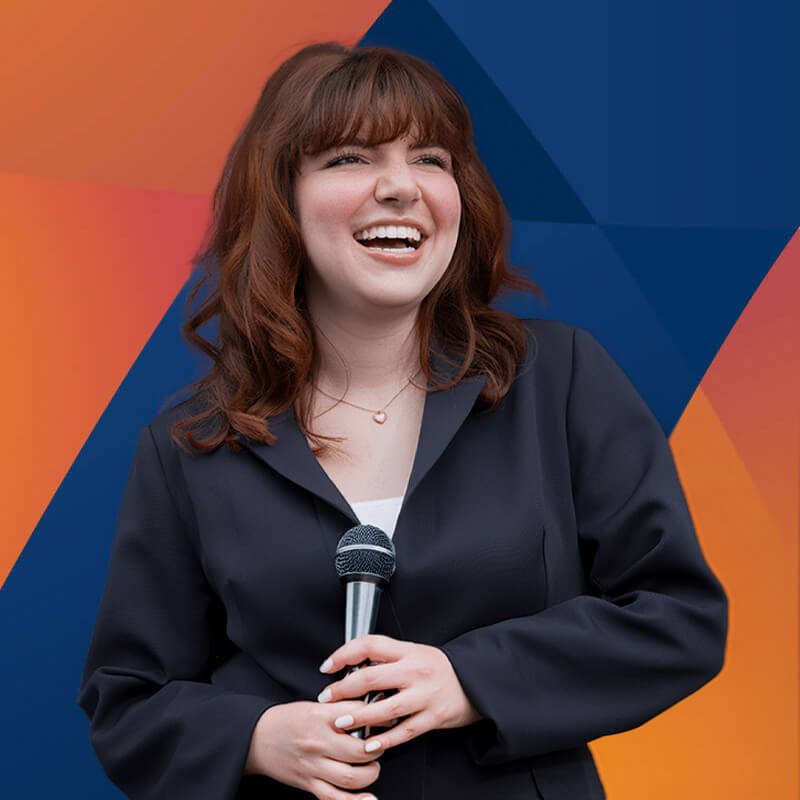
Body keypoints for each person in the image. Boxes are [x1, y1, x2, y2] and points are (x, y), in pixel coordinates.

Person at [78, 42, 728, 800]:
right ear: (280, 199)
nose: (400, 187)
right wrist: (255, 738)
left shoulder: (561, 379)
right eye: (350, 158)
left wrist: (471, 679)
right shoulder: (191, 444)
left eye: (431, 158)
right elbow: (128, 700)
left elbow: (677, 617)